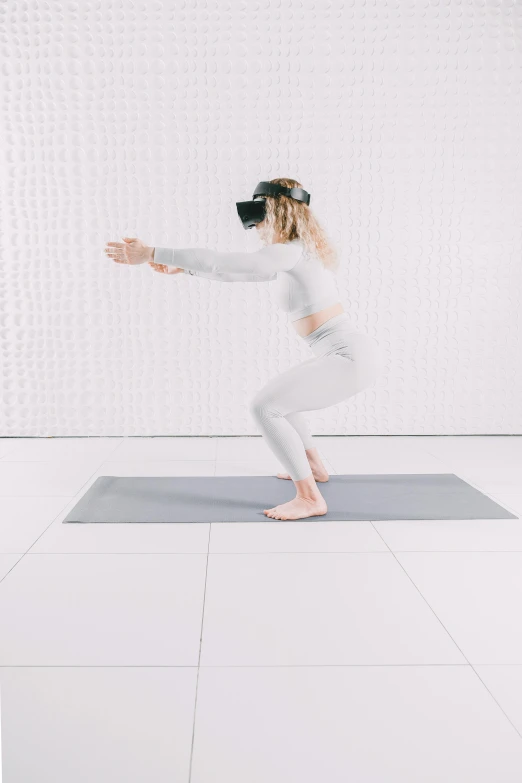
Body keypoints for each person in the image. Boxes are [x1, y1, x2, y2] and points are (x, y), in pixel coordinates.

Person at [104, 177, 382, 520]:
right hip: (345, 354)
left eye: (259, 216)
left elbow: (223, 261)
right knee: (286, 402)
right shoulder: (296, 254)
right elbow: (238, 274)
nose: (256, 227)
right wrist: (185, 270)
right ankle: (315, 467)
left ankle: (310, 498)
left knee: (264, 407)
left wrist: (152, 253)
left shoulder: (290, 251)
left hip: (349, 357)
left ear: (277, 212)